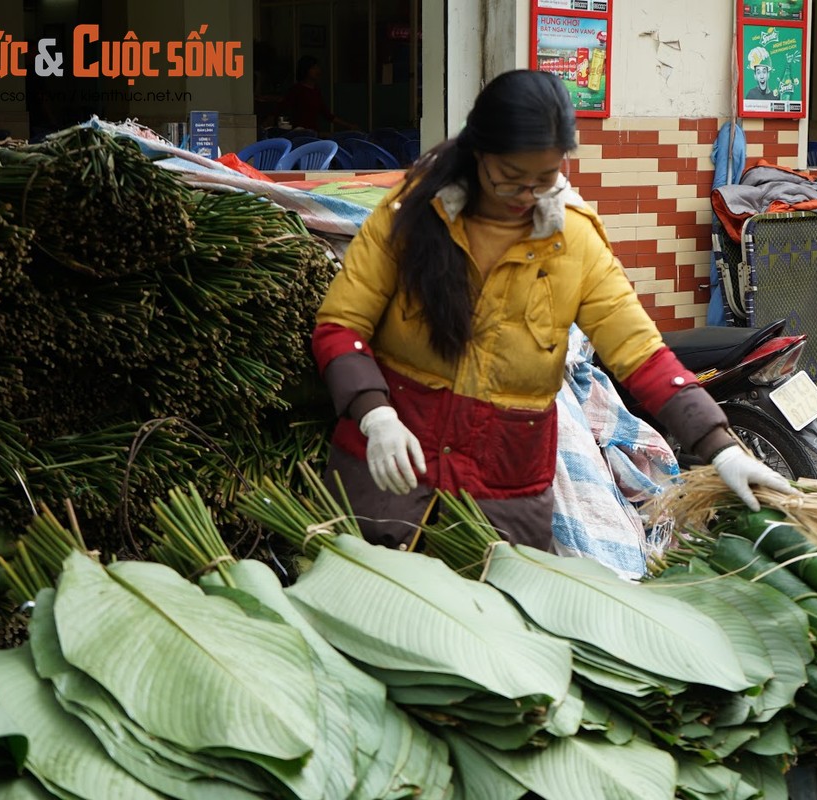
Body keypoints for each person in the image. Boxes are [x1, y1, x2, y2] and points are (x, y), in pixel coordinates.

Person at [311, 69, 787, 551]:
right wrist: (376, 416)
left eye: (545, 179)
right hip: (391, 475)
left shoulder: (575, 241)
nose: (528, 197)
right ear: (478, 154)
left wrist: (720, 446)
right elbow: (339, 326)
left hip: (503, 489)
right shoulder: (410, 217)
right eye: (511, 179)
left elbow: (639, 352)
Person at [276, 56, 356, 132]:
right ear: (305, 70)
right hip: (299, 133)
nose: (317, 70)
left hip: (313, 132)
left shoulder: (316, 90)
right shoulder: (297, 90)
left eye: (318, 67)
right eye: (313, 68)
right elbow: (282, 108)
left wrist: (349, 125)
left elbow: (326, 113)